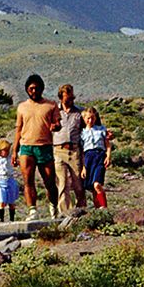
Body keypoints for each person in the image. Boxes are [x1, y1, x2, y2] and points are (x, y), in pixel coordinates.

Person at [11, 74, 61, 219]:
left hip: (44, 146)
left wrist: (55, 126)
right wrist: (14, 151)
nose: (34, 91)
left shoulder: (51, 105)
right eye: (31, 88)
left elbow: (58, 124)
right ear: (27, 89)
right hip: (26, 147)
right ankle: (32, 210)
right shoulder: (22, 107)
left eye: (37, 88)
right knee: (28, 180)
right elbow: (18, 129)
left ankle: (53, 206)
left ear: (42, 89)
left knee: (50, 182)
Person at [52, 83, 86, 214]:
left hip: (74, 151)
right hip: (59, 150)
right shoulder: (54, 112)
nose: (70, 101)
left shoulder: (79, 113)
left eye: (72, 98)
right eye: (68, 98)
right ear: (61, 97)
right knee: (62, 183)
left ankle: (81, 209)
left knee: (78, 184)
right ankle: (65, 213)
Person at [81, 107, 110, 210]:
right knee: (92, 187)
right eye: (88, 118)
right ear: (84, 119)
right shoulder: (82, 133)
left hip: (99, 155)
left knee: (97, 184)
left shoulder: (101, 129)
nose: (90, 120)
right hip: (88, 157)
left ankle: (104, 207)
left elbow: (107, 144)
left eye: (92, 118)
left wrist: (108, 156)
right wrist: (83, 167)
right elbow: (81, 151)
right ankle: (98, 209)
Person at [0, 140, 21, 222]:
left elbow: (17, 163)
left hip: (10, 179)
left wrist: (16, 163)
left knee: (11, 202)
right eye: (5, 150)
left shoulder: (10, 158)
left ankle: (12, 219)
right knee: (2, 201)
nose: (7, 152)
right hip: (1, 180)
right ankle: (1, 219)